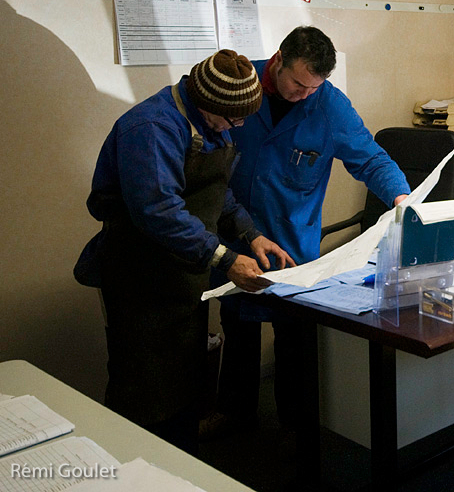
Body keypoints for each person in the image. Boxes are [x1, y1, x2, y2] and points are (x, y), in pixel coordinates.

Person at [74, 49, 295, 453]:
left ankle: (179, 463)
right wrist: (226, 259)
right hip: (138, 276)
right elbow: (158, 210)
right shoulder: (152, 127)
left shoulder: (212, 123)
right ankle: (135, 468)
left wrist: (251, 234)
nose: (237, 127)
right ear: (206, 103)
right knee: (142, 387)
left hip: (180, 277)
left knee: (185, 381)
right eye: (233, 119)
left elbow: (215, 192)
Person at [208, 26, 410, 434]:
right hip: (234, 237)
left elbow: (371, 159)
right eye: (298, 84)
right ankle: (236, 417)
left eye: (312, 88)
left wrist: (402, 197)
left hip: (292, 242)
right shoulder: (243, 89)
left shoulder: (329, 106)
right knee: (239, 330)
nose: (303, 95)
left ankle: (297, 430)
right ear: (278, 59)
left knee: (295, 342)